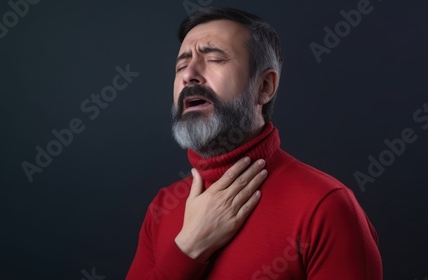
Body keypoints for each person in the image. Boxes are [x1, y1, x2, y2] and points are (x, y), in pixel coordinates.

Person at [126, 7, 382, 280]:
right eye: (180, 65)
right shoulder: (162, 207)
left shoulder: (326, 206)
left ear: (265, 87)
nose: (189, 74)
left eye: (214, 59)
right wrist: (189, 248)